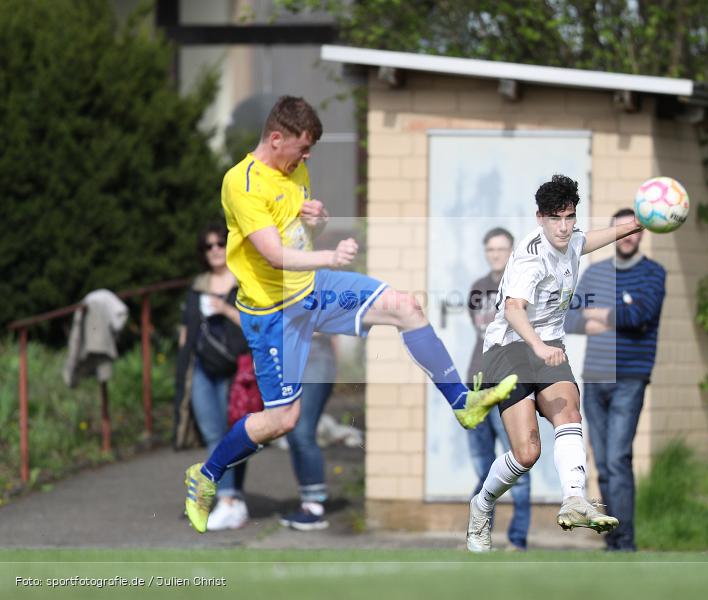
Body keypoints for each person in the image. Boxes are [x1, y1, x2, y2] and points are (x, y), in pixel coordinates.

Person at [183, 95, 517, 533]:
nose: (307, 158)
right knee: (284, 420)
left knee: (407, 307)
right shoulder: (241, 183)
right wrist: (330, 254)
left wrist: (316, 221)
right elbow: (274, 255)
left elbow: (298, 231)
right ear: (277, 138)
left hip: (313, 290)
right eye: (302, 149)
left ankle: (463, 404)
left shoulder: (294, 168)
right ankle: (205, 475)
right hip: (273, 314)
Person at [466, 174, 642, 553]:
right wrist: (538, 346)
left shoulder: (571, 237)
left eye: (569, 217)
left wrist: (633, 224)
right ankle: (481, 505)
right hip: (509, 348)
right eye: (555, 219)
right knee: (528, 453)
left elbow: (587, 241)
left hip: (548, 346)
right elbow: (513, 309)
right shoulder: (532, 257)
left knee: (569, 412)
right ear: (540, 217)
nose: (563, 227)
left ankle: (575, 498)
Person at [563, 207, 666, 552]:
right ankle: (613, 541)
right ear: (613, 234)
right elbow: (569, 318)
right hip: (595, 377)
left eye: (635, 230)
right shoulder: (594, 274)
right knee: (603, 463)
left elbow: (640, 315)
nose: (629, 236)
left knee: (619, 459)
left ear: (643, 234)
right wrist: (611, 314)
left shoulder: (653, 273)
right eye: (622, 230)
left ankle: (626, 544)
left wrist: (602, 314)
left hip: (630, 377)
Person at [175, 223, 250, 530]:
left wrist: (225, 309)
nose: (216, 249)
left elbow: (255, 325)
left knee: (235, 436)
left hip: (236, 369)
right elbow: (185, 328)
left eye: (221, 243)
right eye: (209, 246)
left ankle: (233, 500)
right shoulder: (197, 286)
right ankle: (229, 501)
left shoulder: (244, 282)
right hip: (203, 369)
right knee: (214, 436)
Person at [466, 228, 531, 551]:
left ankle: (518, 539)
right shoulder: (477, 288)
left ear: (512, 251)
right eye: (490, 249)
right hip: (476, 383)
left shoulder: (521, 285)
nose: (495, 254)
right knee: (481, 464)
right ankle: (480, 534)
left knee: (518, 462)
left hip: (508, 385)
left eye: (501, 249)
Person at [279, 333, 338, 530]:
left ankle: (315, 507)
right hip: (292, 363)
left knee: (303, 433)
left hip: (316, 360)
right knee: (294, 433)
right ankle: (307, 504)